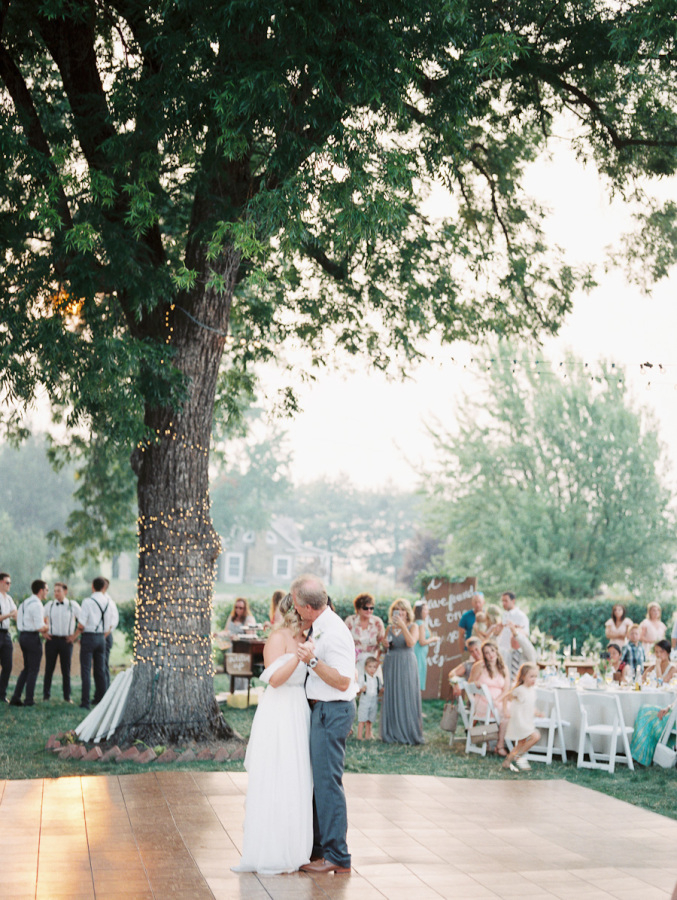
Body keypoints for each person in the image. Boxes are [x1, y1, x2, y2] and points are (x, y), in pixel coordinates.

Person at [232, 594, 312, 874]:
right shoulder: (278, 637)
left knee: (297, 778)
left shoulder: (308, 637)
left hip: (299, 710)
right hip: (279, 710)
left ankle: (295, 848)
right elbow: (275, 679)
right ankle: (269, 850)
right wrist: (299, 657)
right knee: (277, 775)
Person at [294, 574, 357, 876]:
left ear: (308, 607)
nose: (294, 608)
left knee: (329, 784)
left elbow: (344, 681)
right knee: (320, 782)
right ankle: (319, 849)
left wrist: (312, 661)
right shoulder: (320, 625)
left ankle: (337, 856)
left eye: (296, 604)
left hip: (332, 712)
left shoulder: (334, 632)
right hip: (323, 710)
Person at [380, 598, 424, 746]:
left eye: (402, 609)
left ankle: (408, 731)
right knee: (392, 694)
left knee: (406, 694)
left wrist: (403, 626)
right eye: (396, 609)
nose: (399, 612)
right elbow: (385, 647)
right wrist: (385, 644)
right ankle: (392, 731)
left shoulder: (414, 626)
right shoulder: (389, 628)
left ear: (407, 612)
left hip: (406, 663)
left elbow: (411, 643)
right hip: (392, 663)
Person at [69, 577, 116, 709]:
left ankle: (85, 702)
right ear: (103, 587)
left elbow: (81, 625)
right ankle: (103, 701)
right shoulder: (108, 602)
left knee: (86, 670)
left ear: (92, 586)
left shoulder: (87, 601)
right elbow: (109, 625)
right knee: (100, 670)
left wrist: (74, 637)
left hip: (89, 637)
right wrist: (101, 636)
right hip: (101, 638)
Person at [10, 580, 48, 707]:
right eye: (46, 590)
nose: (47, 592)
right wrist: (48, 627)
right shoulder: (37, 605)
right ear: (41, 590)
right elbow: (40, 627)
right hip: (32, 638)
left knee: (27, 668)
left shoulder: (24, 603)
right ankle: (29, 699)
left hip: (23, 636)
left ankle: (16, 697)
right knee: (33, 669)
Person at [499, 662, 543, 772]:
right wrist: (505, 711)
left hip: (526, 721)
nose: (534, 679)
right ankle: (519, 756)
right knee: (535, 736)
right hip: (519, 721)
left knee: (521, 743)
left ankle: (507, 761)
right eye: (531, 676)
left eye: (535, 676)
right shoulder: (520, 690)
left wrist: (537, 712)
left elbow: (529, 705)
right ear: (523, 677)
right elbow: (506, 696)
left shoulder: (531, 690)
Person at [468, 640, 509, 755]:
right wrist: (476, 684)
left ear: (496, 651)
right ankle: (500, 745)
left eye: (492, 651)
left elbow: (506, 689)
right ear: (484, 655)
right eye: (487, 653)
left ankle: (500, 743)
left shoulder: (503, 668)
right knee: (504, 715)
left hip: (498, 700)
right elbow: (470, 684)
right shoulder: (480, 666)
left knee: (511, 713)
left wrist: (498, 700)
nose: (491, 655)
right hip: (483, 701)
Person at [42, 582, 80, 703]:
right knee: (49, 668)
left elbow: (83, 620)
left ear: (65, 592)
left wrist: (74, 636)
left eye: (59, 591)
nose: (56, 593)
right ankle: (46, 696)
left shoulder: (72, 605)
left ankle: (67, 697)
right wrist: (43, 633)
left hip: (66, 641)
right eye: (55, 591)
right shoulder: (49, 605)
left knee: (66, 669)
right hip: (52, 640)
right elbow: (39, 618)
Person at [344, 592, 386, 680]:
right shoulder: (350, 621)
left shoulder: (377, 622)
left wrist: (377, 661)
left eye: (371, 608)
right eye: (365, 608)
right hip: (354, 662)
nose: (369, 610)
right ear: (358, 609)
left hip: (372, 663)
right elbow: (344, 642)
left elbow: (382, 644)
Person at [631, 696, 677, 767]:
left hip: (674, 719)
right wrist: (669, 707)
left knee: (647, 714)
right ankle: (639, 754)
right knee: (644, 709)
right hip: (673, 711)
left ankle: (640, 756)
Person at [496, 592, 529, 678]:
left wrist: (515, 628)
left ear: (513, 601)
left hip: (514, 654)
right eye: (502, 601)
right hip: (502, 651)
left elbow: (525, 634)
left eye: (506, 601)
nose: (503, 603)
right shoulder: (504, 615)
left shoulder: (521, 616)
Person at [413, 600, 438, 691]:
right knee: (418, 674)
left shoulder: (420, 622)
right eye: (426, 610)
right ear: (420, 611)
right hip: (418, 653)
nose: (428, 612)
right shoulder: (420, 624)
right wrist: (434, 639)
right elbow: (422, 641)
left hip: (421, 653)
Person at [0, 572, 17, 703]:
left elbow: (15, 614)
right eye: (7, 583)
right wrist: (10, 615)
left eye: (10, 583)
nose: (9, 585)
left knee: (8, 665)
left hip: (6, 634)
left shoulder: (9, 599)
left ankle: (2, 693)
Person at [356, 656, 382, 740]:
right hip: (365, 701)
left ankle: (368, 734)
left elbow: (379, 689)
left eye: (374, 667)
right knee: (362, 718)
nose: (372, 669)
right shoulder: (363, 677)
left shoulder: (377, 679)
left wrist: (382, 690)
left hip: (374, 700)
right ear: (365, 667)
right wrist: (361, 689)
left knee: (370, 719)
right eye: (370, 666)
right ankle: (359, 736)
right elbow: (357, 690)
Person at [101, 578, 119, 691]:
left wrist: (103, 636)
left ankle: (105, 691)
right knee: (99, 666)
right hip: (100, 636)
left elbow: (113, 622)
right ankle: (100, 692)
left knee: (103, 665)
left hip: (105, 637)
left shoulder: (109, 602)